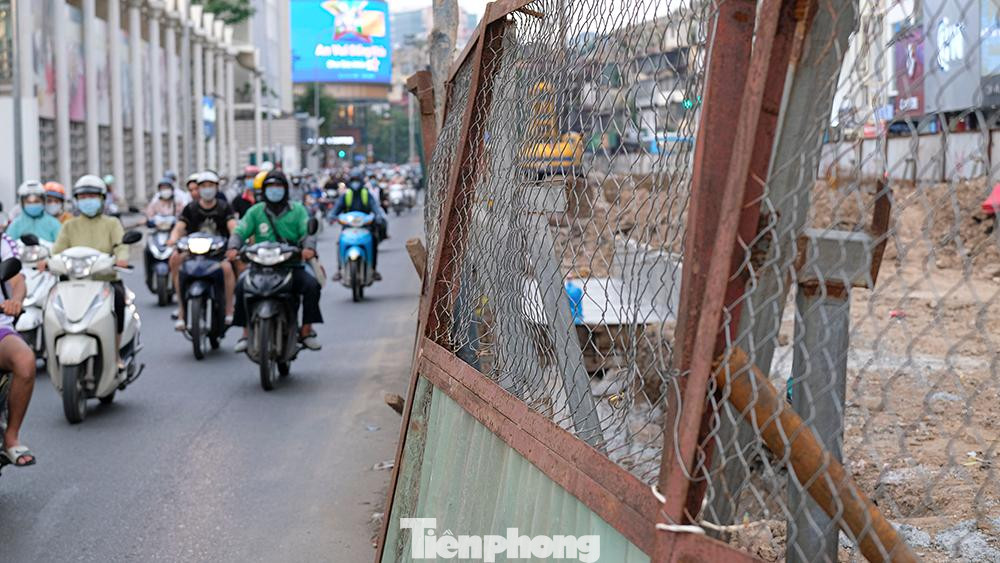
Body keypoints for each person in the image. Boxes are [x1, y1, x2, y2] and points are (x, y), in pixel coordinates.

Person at [227, 170, 322, 352]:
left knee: (312, 285)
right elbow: (240, 231)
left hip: (291, 265)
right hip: (260, 267)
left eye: (278, 186)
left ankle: (307, 331)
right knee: (241, 285)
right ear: (264, 190)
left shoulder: (298, 210)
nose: (275, 190)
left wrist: (308, 248)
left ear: (286, 189)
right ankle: (246, 334)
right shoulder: (256, 211)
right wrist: (233, 247)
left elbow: (307, 232)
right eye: (270, 187)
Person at [47, 175, 131, 369]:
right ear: (77, 200)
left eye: (92, 196)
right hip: (73, 282)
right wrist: (47, 261)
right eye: (83, 196)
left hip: (106, 280)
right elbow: (57, 251)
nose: (88, 200)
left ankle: (116, 352)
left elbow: (121, 245)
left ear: (102, 198)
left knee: (119, 302)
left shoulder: (112, 223)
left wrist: (122, 258)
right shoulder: (69, 226)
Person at [166, 171, 237, 330]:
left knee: (227, 268)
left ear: (216, 188)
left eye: (210, 186)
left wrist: (234, 242)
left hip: (217, 253)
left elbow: (232, 227)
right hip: (193, 252)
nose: (207, 189)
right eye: (203, 186)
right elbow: (179, 227)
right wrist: (172, 238)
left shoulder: (224, 207)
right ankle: (182, 311)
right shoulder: (190, 208)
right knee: (175, 259)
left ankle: (229, 309)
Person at [330, 173, 385, 281]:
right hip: (348, 227)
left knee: (373, 241)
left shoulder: (366, 194)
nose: (355, 184)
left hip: (365, 227)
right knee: (340, 242)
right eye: (353, 181)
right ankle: (340, 269)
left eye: (357, 181)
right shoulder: (346, 195)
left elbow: (375, 207)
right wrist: (332, 216)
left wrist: (378, 216)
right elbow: (336, 209)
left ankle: (373, 269)